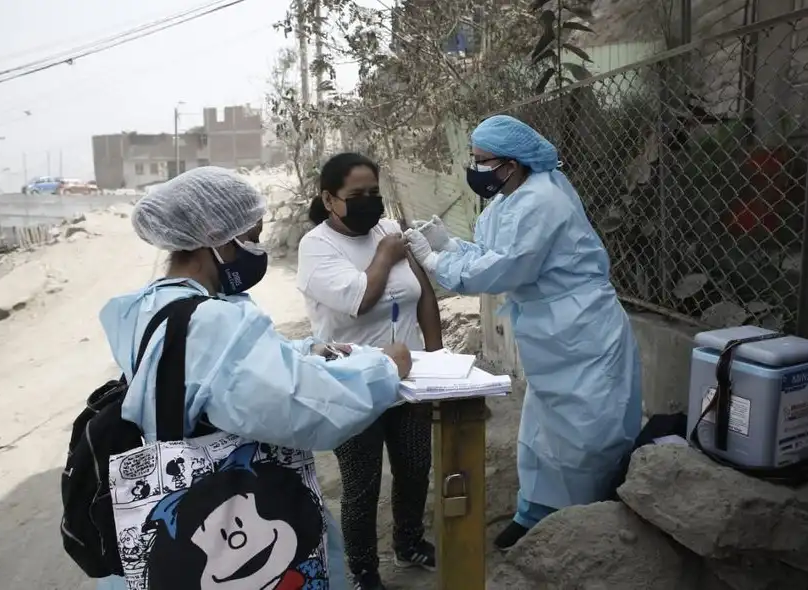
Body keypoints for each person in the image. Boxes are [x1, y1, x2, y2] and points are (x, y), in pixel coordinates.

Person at [95, 166, 412, 590]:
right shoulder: (211, 322)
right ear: (214, 236)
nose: (257, 251)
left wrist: (306, 350)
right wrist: (387, 368)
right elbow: (305, 409)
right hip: (232, 513)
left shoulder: (154, 306)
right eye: (253, 238)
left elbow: (223, 371)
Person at [404, 115, 643, 551]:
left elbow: (505, 267)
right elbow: (493, 252)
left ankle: (587, 523)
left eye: (481, 161)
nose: (473, 168)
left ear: (511, 164)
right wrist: (449, 245)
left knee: (587, 431)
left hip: (583, 327)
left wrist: (437, 264)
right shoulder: (508, 199)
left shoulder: (543, 200)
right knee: (543, 430)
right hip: (550, 331)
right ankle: (533, 513)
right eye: (471, 159)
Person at [296, 153, 442, 590]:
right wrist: (384, 253)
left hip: (409, 376)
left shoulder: (390, 230)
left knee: (416, 466)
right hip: (352, 383)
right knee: (362, 483)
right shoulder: (317, 246)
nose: (369, 203)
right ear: (329, 199)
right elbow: (358, 298)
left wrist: (437, 361)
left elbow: (424, 296)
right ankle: (363, 570)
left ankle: (408, 541)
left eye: (374, 194)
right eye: (356, 196)